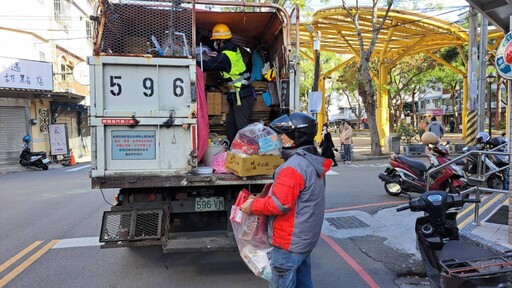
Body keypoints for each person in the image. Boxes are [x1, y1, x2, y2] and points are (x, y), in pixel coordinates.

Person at [240, 112, 332, 288]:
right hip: (304, 240)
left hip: (289, 242)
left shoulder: (292, 168)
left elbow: (279, 204)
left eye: (282, 135)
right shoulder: (312, 162)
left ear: (294, 138)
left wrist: (253, 205)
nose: (279, 139)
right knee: (304, 283)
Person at [198, 23, 256, 145]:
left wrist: (193, 60)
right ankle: (234, 154)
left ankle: (247, 155)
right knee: (231, 129)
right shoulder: (232, 50)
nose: (215, 44)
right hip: (238, 95)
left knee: (242, 129)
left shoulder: (226, 56)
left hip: (242, 95)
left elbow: (208, 66)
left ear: (219, 41)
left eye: (215, 41)